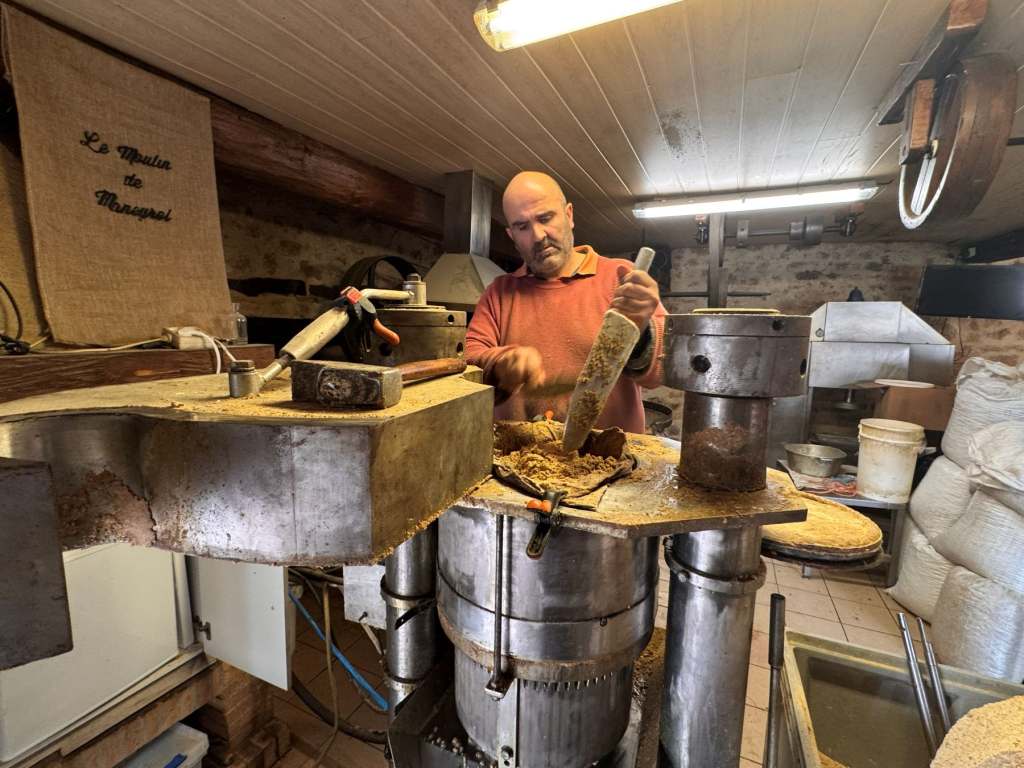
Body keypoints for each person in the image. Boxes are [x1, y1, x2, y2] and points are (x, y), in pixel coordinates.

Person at [465, 171, 666, 434]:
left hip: (612, 462)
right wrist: (501, 362)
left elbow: (660, 374)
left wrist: (641, 333)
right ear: (511, 235)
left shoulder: (620, 278)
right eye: (522, 226)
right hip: (520, 460)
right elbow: (468, 363)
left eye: (545, 218)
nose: (538, 236)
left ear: (569, 215)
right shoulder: (499, 293)